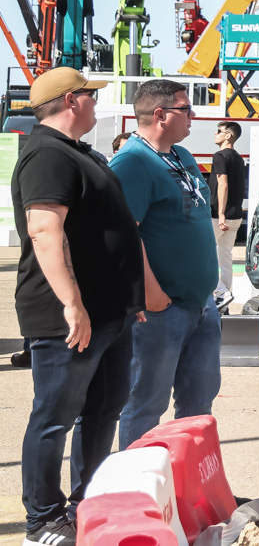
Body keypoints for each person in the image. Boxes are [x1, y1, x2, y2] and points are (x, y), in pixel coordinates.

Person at [14, 68, 144, 546]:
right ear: (71, 100)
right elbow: (44, 231)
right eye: (91, 95)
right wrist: (72, 303)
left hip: (108, 311)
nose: (95, 103)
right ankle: (42, 521)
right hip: (67, 315)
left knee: (104, 408)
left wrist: (129, 298)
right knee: (54, 417)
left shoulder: (79, 152)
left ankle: (86, 502)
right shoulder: (47, 155)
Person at [111, 79, 221, 447]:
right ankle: (140, 479)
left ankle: (185, 479)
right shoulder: (132, 162)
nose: (193, 115)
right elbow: (125, 235)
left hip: (201, 303)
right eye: (186, 109)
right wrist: (151, 294)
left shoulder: (181, 155)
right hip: (162, 310)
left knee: (198, 406)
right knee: (146, 404)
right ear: (160, 115)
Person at [209, 122, 247, 312]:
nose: (215, 134)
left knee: (203, 256)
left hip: (219, 216)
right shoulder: (238, 158)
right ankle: (224, 301)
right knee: (225, 258)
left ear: (228, 136)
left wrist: (221, 213)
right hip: (236, 216)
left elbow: (223, 184)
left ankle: (221, 293)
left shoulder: (220, 156)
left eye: (219, 131)